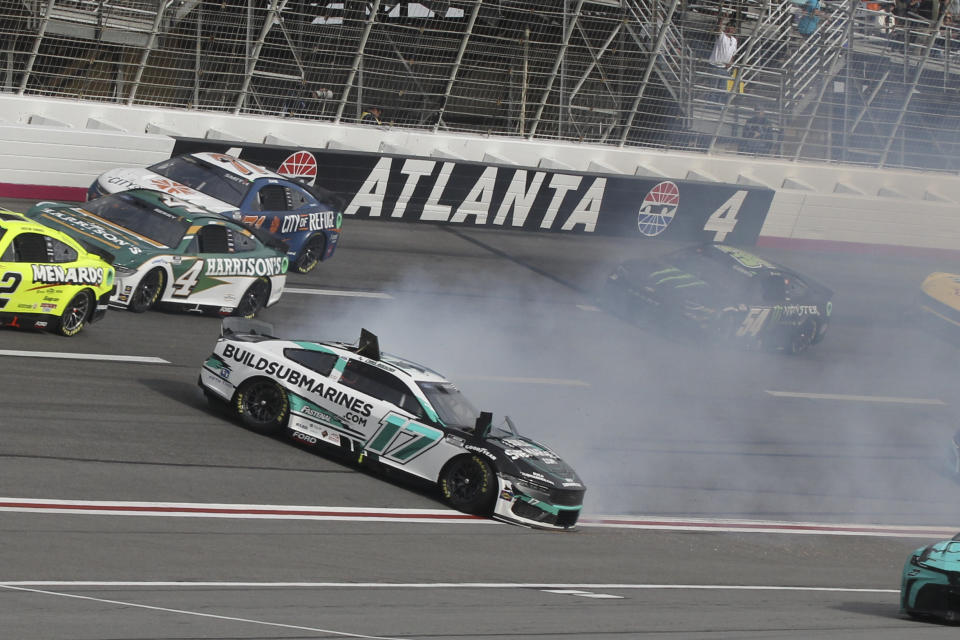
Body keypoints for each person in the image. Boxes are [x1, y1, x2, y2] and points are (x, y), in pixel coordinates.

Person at [707, 22, 738, 103]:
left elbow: (733, 53)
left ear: (734, 30)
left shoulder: (734, 40)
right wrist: (721, 20)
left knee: (722, 88)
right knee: (713, 87)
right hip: (715, 66)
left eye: (732, 28)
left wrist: (731, 62)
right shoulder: (721, 36)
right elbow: (718, 29)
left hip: (724, 68)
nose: (730, 29)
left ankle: (719, 104)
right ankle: (711, 104)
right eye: (729, 27)